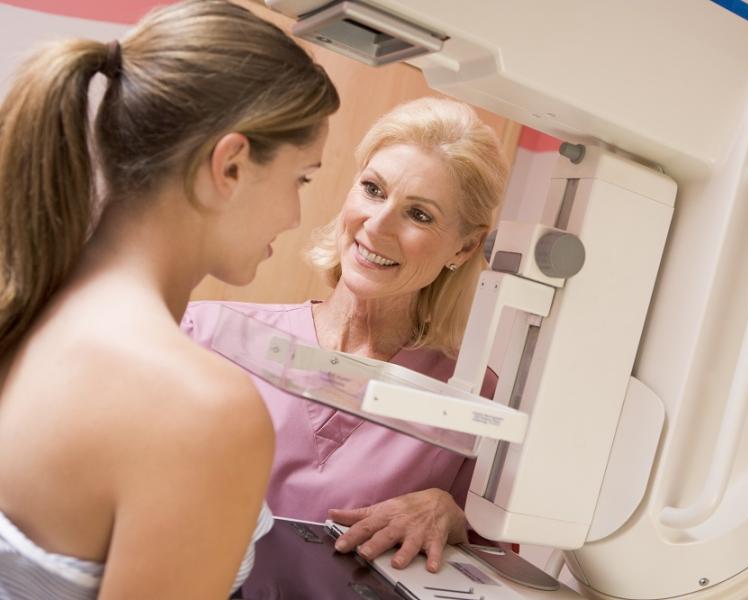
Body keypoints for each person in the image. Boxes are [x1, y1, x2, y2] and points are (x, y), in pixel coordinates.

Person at [0, 1, 339, 598]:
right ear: (231, 165)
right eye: (301, 179)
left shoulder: (28, 301)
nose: (295, 215)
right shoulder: (201, 410)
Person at [181, 97, 509, 574]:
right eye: (373, 190)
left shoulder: (476, 404)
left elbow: (493, 563)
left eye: (419, 214)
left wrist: (451, 514)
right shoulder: (208, 333)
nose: (377, 224)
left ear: (464, 245)